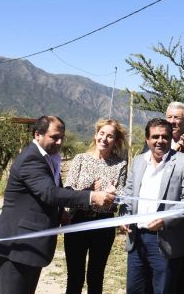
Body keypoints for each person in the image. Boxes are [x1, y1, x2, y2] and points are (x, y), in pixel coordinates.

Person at [0, 116, 116, 294]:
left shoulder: (49, 158)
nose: (60, 142)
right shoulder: (31, 159)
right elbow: (49, 193)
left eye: (62, 137)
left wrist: (61, 212)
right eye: (54, 137)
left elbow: (54, 192)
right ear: (37, 134)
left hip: (30, 245)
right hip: (17, 245)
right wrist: (91, 196)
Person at [120, 118, 184, 294]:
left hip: (164, 240)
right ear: (147, 139)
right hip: (136, 238)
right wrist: (124, 217)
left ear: (171, 138)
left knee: (163, 289)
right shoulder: (138, 161)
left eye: (165, 137)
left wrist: (164, 219)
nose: (160, 141)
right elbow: (128, 194)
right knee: (135, 289)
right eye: (155, 136)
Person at [63, 118, 129, 294]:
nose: (104, 139)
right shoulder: (80, 159)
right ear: (95, 135)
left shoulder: (120, 164)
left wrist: (113, 194)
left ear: (116, 140)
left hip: (104, 224)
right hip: (78, 221)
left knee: (96, 276)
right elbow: (68, 192)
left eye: (110, 136)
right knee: (75, 276)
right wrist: (90, 191)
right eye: (102, 133)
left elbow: (122, 195)